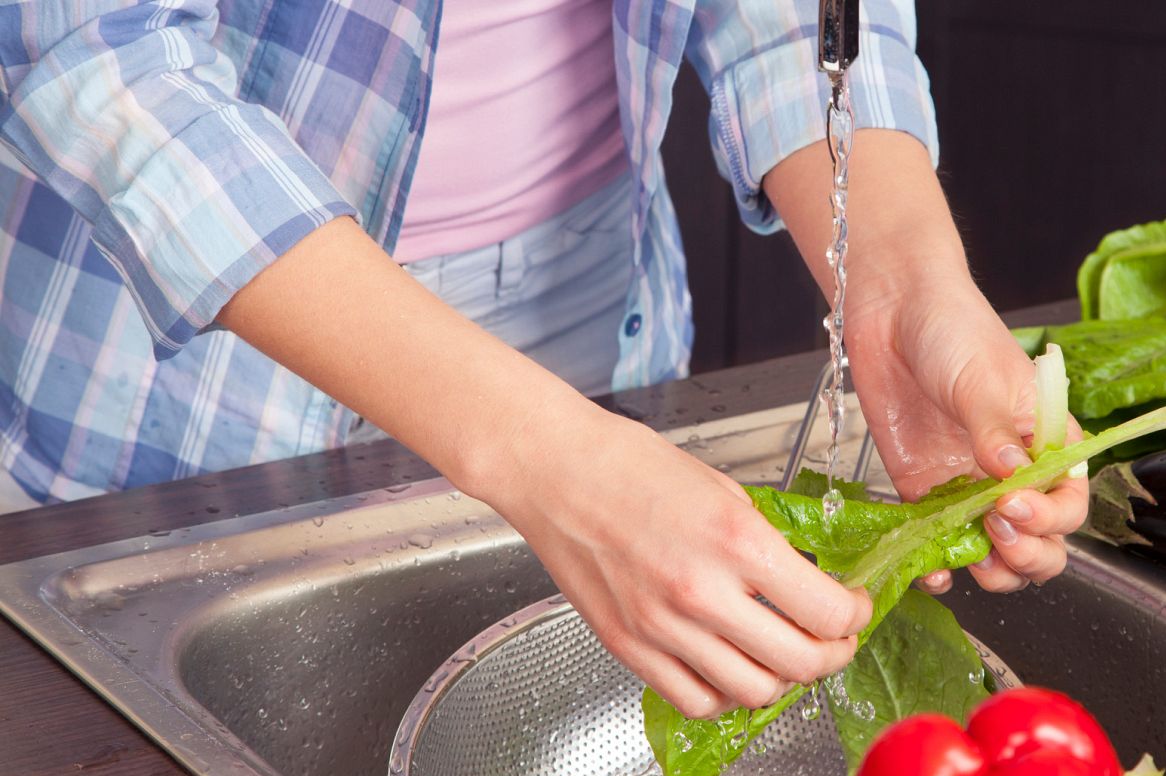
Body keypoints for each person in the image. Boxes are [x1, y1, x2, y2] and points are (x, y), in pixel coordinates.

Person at [0, 0, 1086, 718]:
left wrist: (901, 285)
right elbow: (98, 57)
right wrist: (552, 454)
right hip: (185, 357)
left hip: (592, 306)